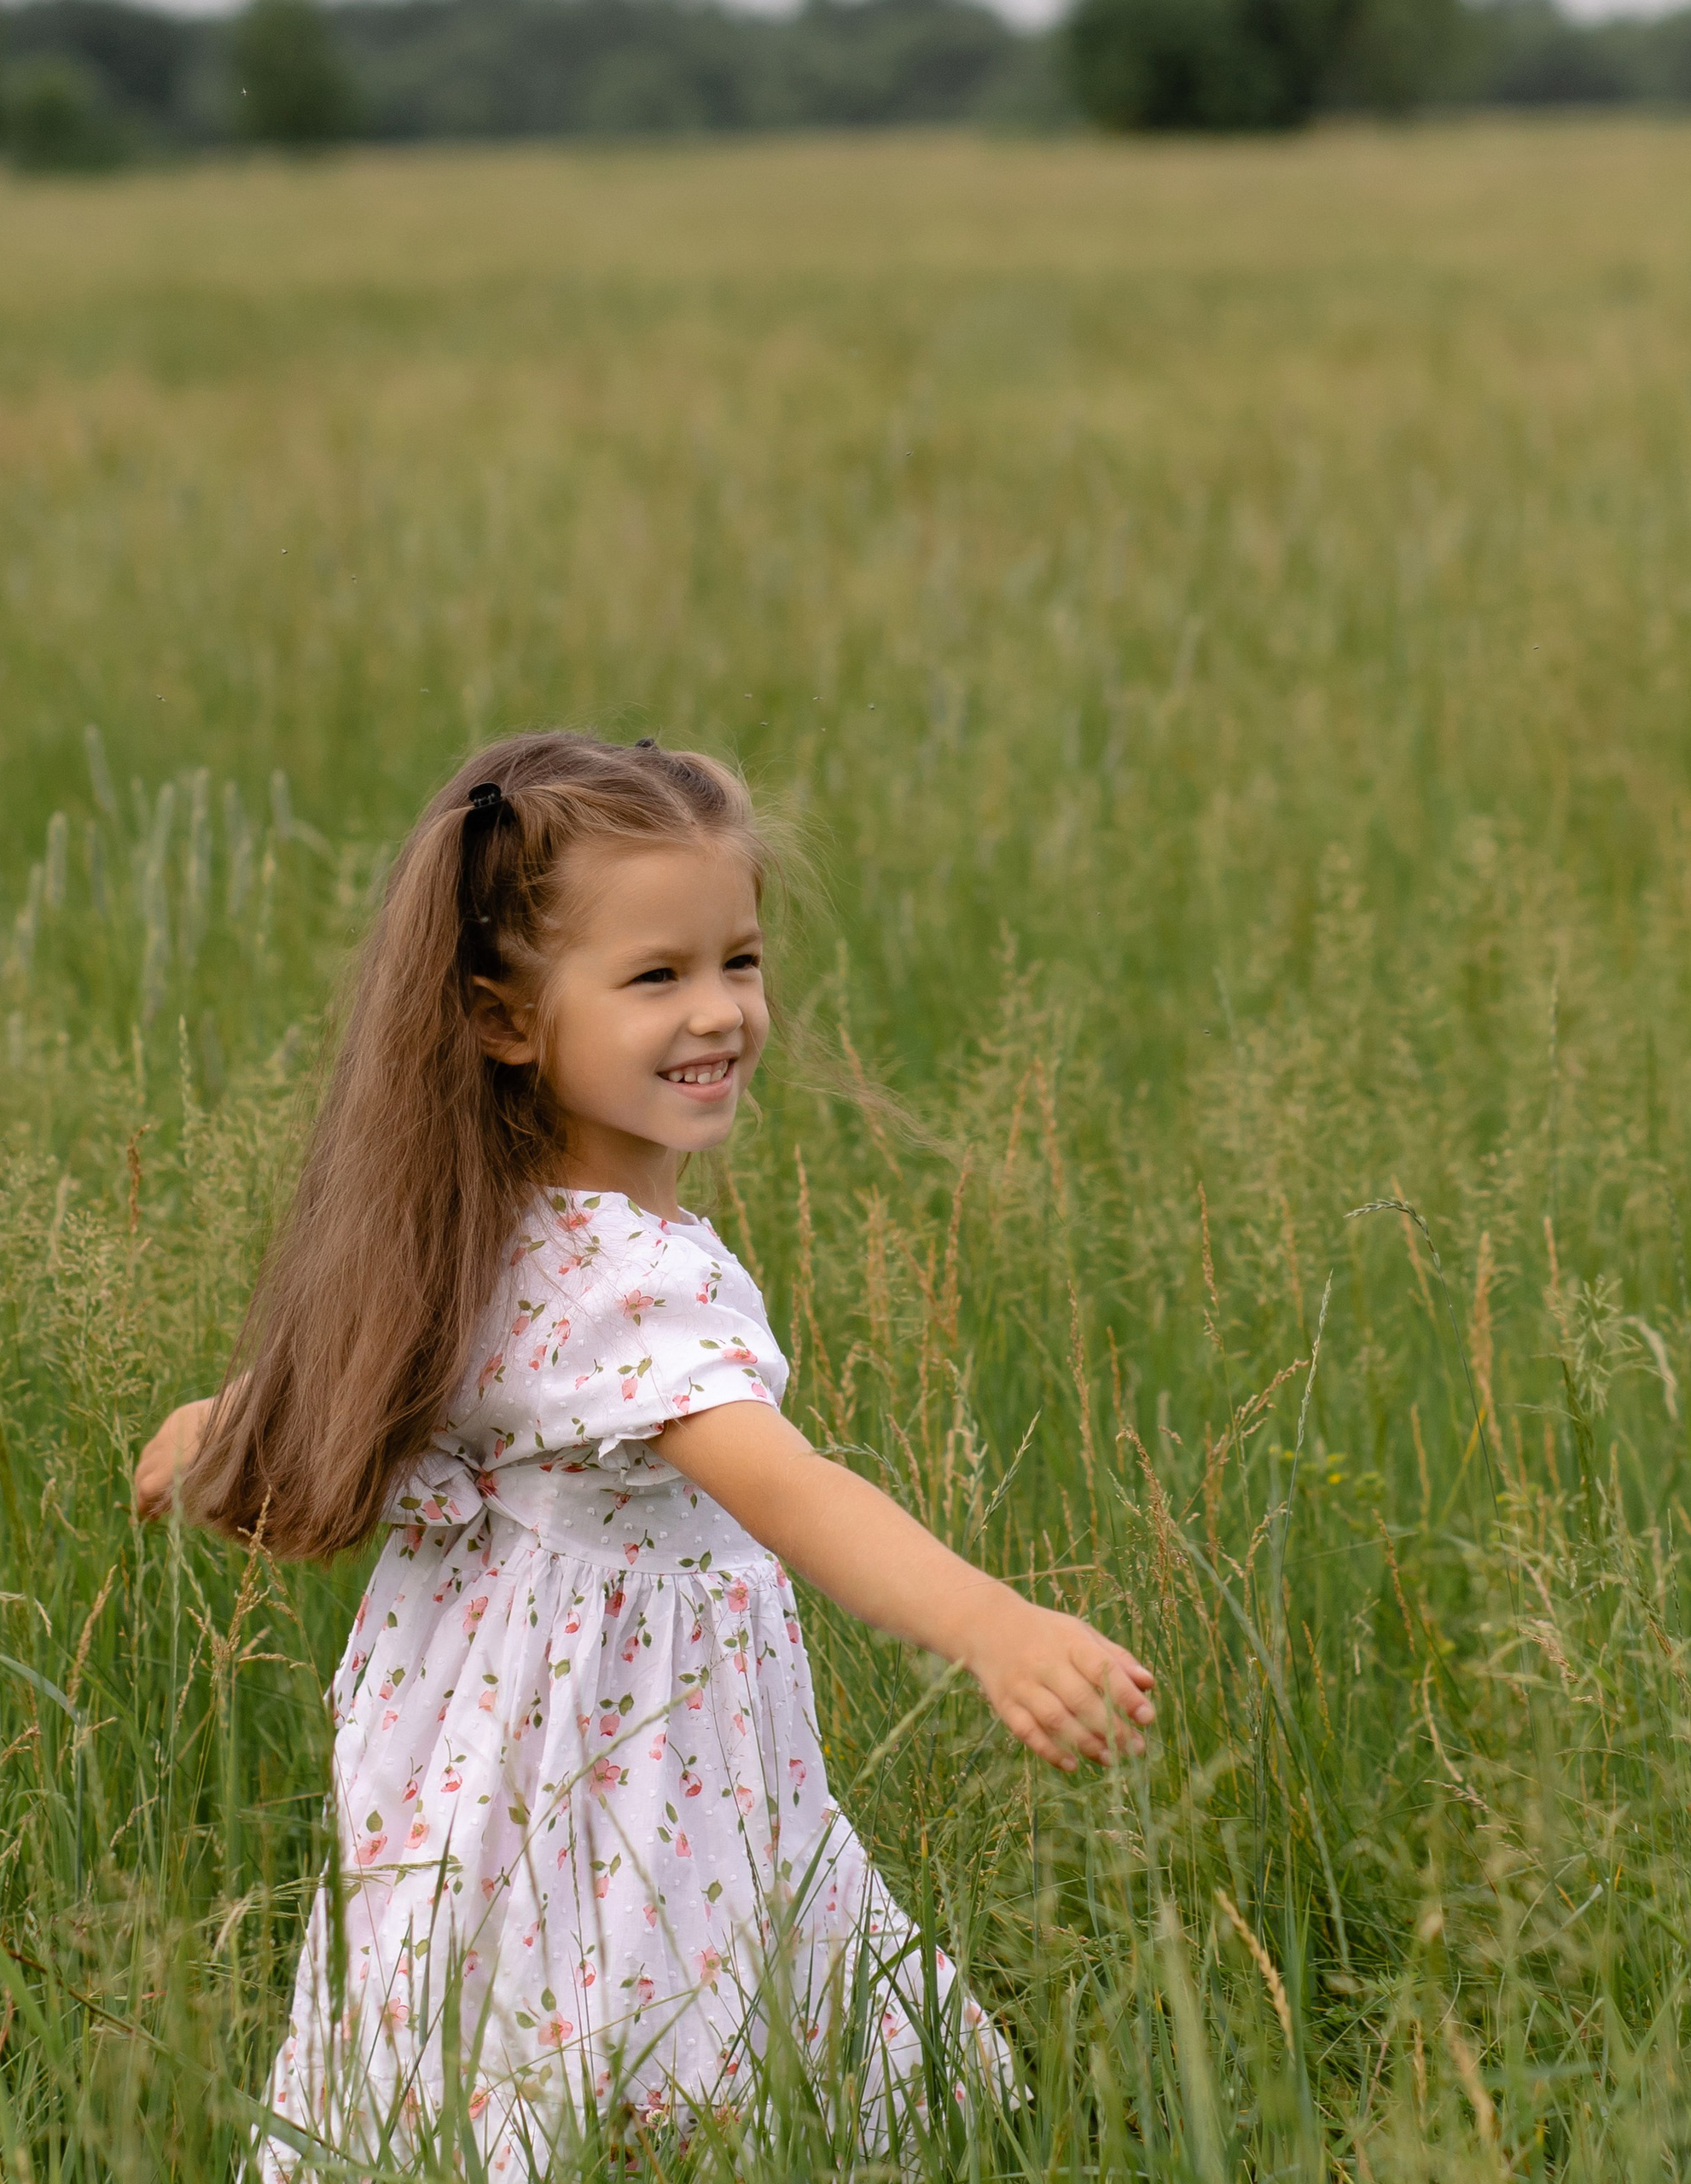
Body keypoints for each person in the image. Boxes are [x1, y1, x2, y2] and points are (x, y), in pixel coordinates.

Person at [133, 731, 1154, 2176]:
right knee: (645, 2008)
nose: (722, 1012)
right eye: (656, 977)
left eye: (737, 961)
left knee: (488, 2012)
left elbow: (361, 1377)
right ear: (501, 1018)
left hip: (480, 1750)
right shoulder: (630, 1278)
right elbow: (790, 1490)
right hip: (624, 1755)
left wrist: (213, 1431)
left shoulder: (463, 1226)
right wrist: (991, 1625)